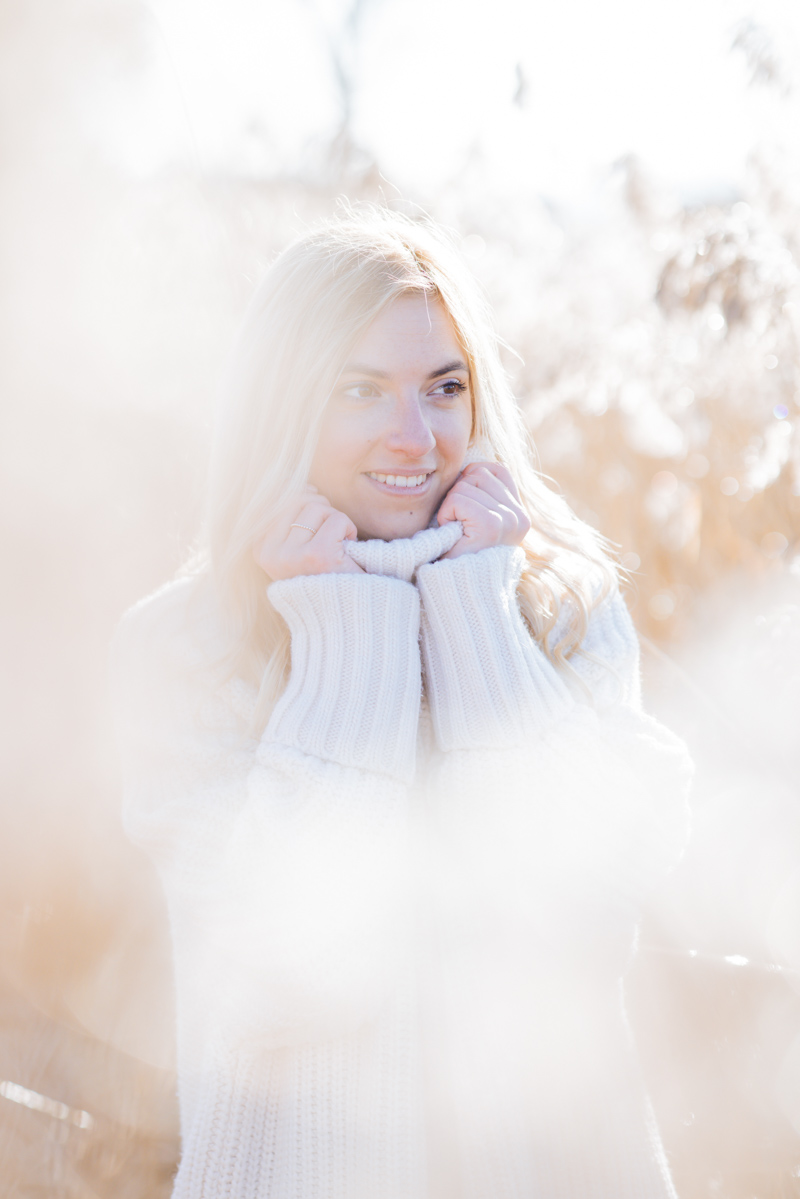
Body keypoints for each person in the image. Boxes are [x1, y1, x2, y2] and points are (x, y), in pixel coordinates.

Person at [112, 207, 692, 1199]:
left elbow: (580, 925)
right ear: (280, 404)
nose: (413, 435)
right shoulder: (184, 649)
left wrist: (477, 614)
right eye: (358, 390)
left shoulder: (559, 609)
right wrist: (346, 626)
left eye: (442, 387)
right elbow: (288, 969)